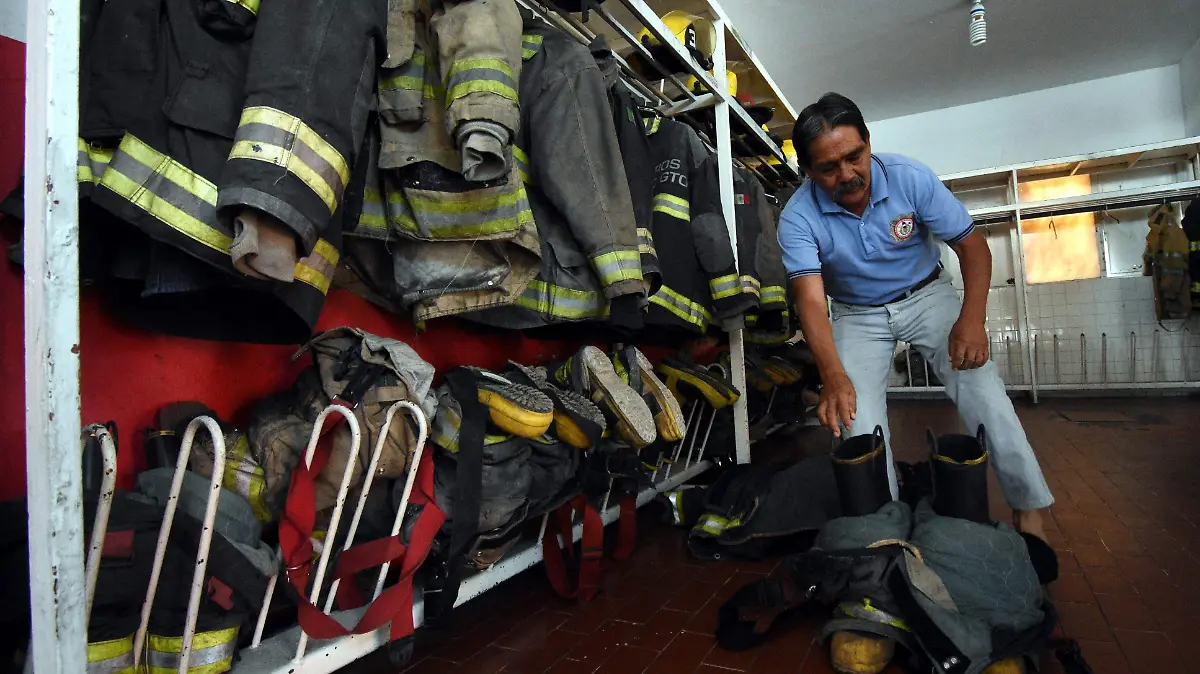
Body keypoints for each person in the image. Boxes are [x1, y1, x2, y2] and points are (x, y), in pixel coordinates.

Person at [776, 92, 1052, 538]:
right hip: (855, 313)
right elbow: (810, 299)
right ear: (808, 171)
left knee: (984, 392)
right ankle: (887, 524)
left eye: (854, 156)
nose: (847, 174)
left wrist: (971, 319)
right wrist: (833, 375)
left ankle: (1029, 507)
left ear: (869, 143)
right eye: (828, 168)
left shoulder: (910, 177)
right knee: (856, 421)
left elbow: (972, 246)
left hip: (928, 296)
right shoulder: (797, 216)